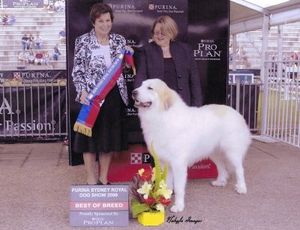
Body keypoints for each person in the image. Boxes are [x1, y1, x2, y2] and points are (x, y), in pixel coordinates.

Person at [72, 3, 129, 185]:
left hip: (114, 97)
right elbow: (78, 70)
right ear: (93, 22)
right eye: (101, 21)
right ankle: (90, 178)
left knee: (108, 139)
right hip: (91, 96)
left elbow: (124, 67)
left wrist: (129, 59)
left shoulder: (119, 41)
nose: (105, 24)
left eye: (108, 20)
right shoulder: (82, 41)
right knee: (88, 139)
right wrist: (81, 90)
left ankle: (104, 177)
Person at [134, 15, 202, 107]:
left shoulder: (185, 50)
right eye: (156, 33)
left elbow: (194, 82)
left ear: (171, 33)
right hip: (156, 106)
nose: (159, 36)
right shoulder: (146, 51)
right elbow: (140, 77)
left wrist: (196, 107)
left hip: (182, 106)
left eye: (163, 33)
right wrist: (140, 99)